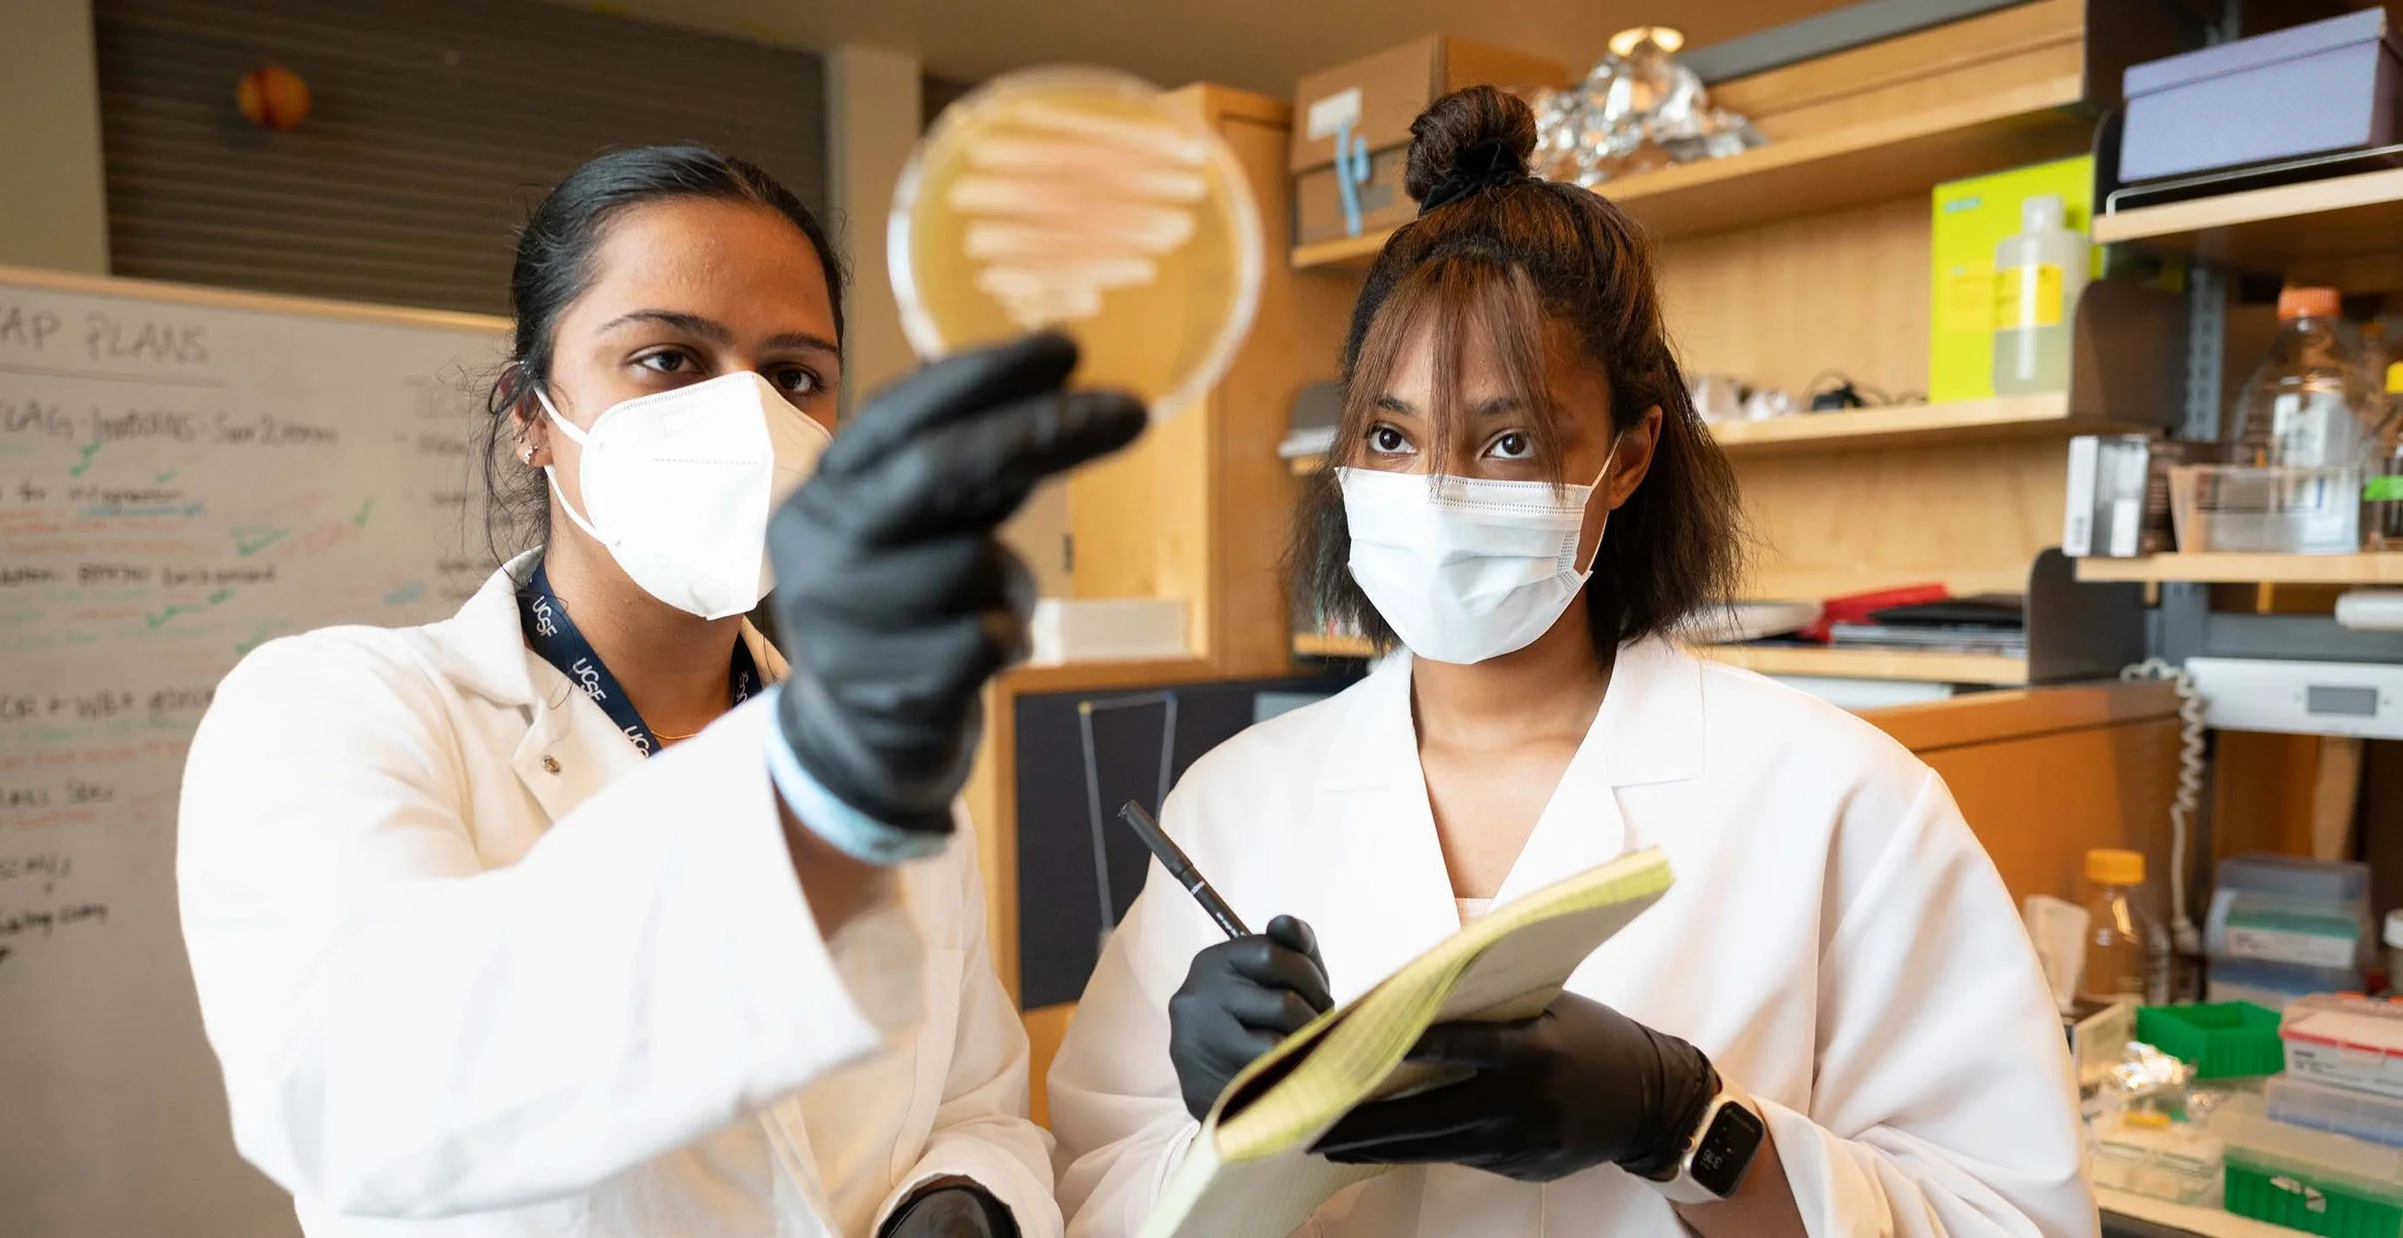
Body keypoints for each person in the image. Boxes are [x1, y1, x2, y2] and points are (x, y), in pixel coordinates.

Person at [1046, 88, 2095, 1238]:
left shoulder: (1846, 801)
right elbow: (1092, 1187)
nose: (1435, 492)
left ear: (1629, 455)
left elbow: (2013, 1216)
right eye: (1390, 436)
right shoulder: (1237, 800)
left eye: (1509, 442)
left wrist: (1683, 1124)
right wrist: (1216, 1132)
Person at [176, 145, 1142, 1237]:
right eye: (669, 358)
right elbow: (350, 1097)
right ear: (530, 414)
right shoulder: (333, 710)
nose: (747, 418)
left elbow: (971, 1098)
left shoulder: (890, 766)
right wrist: (811, 793)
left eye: (793, 376)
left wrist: (962, 1193)